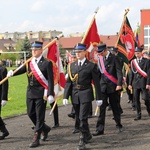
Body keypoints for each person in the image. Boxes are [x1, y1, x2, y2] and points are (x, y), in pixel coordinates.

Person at [7, 41, 54, 147]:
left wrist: (50, 93)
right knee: (30, 113)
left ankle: (36, 137)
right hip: (30, 92)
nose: (34, 51)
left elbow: (50, 80)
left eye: (36, 49)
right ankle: (45, 128)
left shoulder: (47, 63)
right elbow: (21, 70)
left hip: (41, 92)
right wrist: (12, 72)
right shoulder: (29, 62)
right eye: (32, 50)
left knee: (39, 115)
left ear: (41, 50)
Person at [63, 43, 102, 150]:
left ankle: (82, 139)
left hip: (86, 93)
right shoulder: (72, 65)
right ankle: (87, 134)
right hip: (75, 94)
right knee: (78, 118)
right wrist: (66, 96)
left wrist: (99, 97)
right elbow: (69, 82)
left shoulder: (91, 65)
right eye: (76, 52)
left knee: (82, 118)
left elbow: (97, 83)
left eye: (80, 52)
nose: (78, 54)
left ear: (85, 52)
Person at [93, 43, 123, 136]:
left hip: (113, 86)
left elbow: (119, 72)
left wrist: (119, 84)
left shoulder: (115, 58)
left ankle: (118, 125)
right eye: (99, 53)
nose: (100, 54)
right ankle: (100, 129)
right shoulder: (99, 59)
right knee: (101, 108)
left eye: (101, 52)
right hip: (103, 86)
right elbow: (98, 73)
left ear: (106, 50)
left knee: (115, 107)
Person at [128, 47, 150, 120]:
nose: (137, 55)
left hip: (144, 83)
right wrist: (130, 84)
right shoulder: (133, 62)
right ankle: (138, 114)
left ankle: (149, 110)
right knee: (136, 100)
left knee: (146, 99)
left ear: (141, 53)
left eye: (138, 53)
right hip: (136, 83)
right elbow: (131, 74)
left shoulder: (146, 61)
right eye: (136, 53)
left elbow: (149, 73)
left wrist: (148, 83)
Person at [0, 61, 9, 140]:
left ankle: (4, 131)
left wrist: (4, 98)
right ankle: (4, 131)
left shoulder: (2, 69)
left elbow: (5, 84)